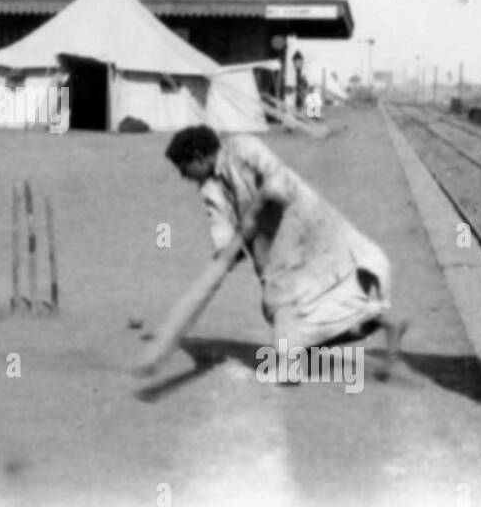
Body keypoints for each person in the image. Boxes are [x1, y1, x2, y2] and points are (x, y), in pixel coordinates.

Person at [143, 125, 406, 373]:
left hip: (301, 218)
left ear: (198, 157)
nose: (183, 175)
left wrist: (253, 211)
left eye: (183, 167)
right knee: (304, 302)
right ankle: (383, 324)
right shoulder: (209, 188)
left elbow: (278, 178)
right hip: (270, 240)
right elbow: (221, 227)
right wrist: (225, 255)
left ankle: (287, 366)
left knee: (282, 296)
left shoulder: (242, 147)